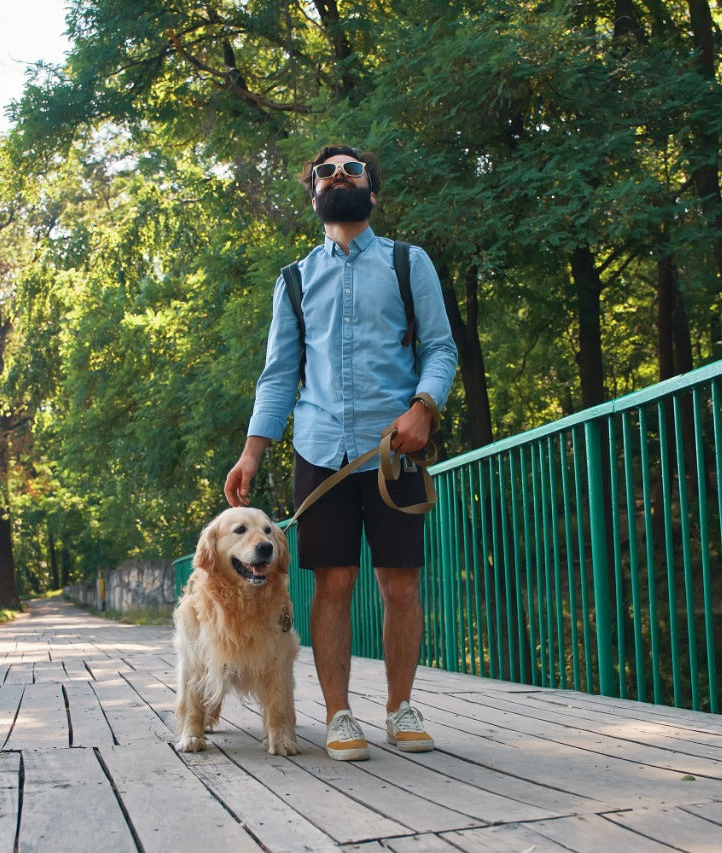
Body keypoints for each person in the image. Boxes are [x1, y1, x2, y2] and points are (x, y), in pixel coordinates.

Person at [224, 144, 458, 761]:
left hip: (393, 453)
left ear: (371, 192)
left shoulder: (410, 264)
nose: (338, 177)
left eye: (351, 170)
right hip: (321, 448)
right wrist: (252, 454)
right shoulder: (295, 280)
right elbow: (279, 375)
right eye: (326, 173)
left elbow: (440, 349)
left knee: (400, 583)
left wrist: (423, 407)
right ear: (314, 197)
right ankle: (337, 715)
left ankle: (400, 707)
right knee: (333, 582)